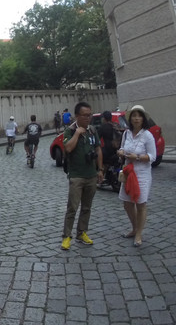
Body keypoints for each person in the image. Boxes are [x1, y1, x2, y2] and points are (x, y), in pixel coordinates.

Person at [61, 102, 103, 250]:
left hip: (91, 175)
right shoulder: (70, 131)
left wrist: (100, 169)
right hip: (76, 176)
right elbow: (68, 148)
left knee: (87, 207)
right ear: (77, 116)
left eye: (89, 115)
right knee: (72, 207)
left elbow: (98, 149)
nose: (88, 118)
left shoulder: (92, 130)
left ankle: (82, 232)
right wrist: (78, 133)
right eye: (85, 115)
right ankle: (67, 237)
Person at [117, 105, 156, 248]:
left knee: (140, 203)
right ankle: (134, 228)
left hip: (142, 174)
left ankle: (139, 233)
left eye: (139, 116)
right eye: (134, 116)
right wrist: (120, 152)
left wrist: (138, 157)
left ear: (143, 119)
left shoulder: (147, 135)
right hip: (128, 172)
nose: (136, 118)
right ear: (130, 118)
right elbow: (122, 148)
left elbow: (152, 156)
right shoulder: (126, 133)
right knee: (127, 203)